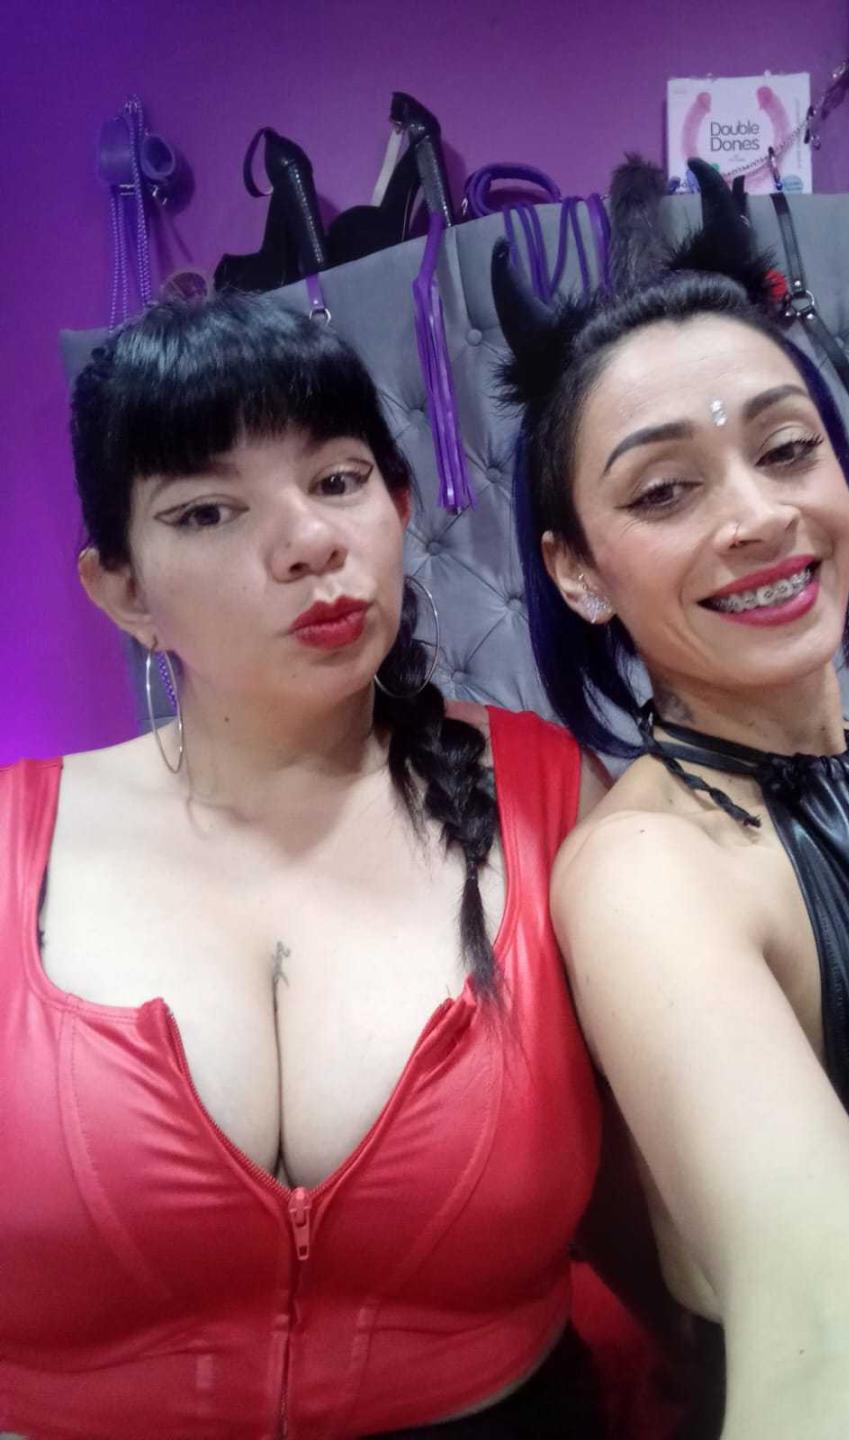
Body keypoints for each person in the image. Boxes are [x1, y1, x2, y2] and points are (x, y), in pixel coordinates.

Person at [494, 158, 849, 1437]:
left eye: (786, 448)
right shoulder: (650, 874)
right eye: (665, 490)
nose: (758, 515)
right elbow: (827, 1314)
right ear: (578, 572)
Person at [0, 293, 611, 1440]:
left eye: (338, 480)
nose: (311, 542)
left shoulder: (553, 799)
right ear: (123, 590)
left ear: (398, 507)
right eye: (207, 510)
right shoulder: (11, 844)